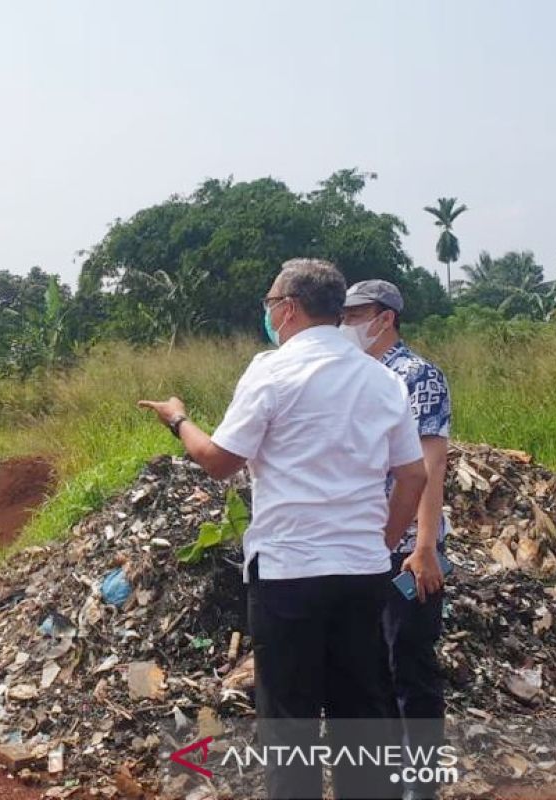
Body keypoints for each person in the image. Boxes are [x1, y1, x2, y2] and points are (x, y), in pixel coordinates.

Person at [139, 259, 427, 800]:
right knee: (361, 713)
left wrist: (178, 419)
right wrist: (381, 544)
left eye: (271, 303)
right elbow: (412, 475)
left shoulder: (272, 371)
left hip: (290, 572)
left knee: (290, 722)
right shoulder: (382, 379)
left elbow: (219, 460)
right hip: (361, 572)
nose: (269, 312)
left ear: (288, 308)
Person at [341, 279, 452, 800]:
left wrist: (424, 547)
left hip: (408, 549)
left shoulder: (417, 376)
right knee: (372, 670)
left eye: (354, 314)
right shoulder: (355, 376)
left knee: (410, 664)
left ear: (384, 318)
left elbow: (430, 466)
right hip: (365, 547)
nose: (345, 324)